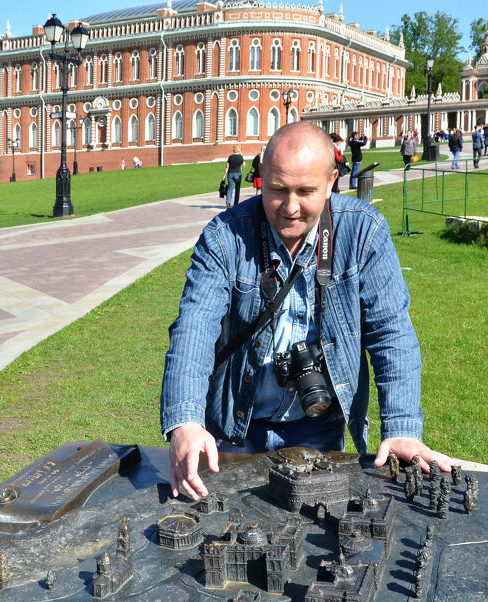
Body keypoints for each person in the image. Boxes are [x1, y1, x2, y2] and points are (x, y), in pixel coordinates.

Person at [161, 122, 452, 501]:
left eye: (306, 191)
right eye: (278, 189)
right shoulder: (224, 237)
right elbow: (194, 327)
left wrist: (401, 426)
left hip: (317, 425)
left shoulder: (363, 232)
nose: (291, 207)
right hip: (232, 427)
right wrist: (185, 422)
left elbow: (391, 332)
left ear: (331, 182)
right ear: (260, 178)